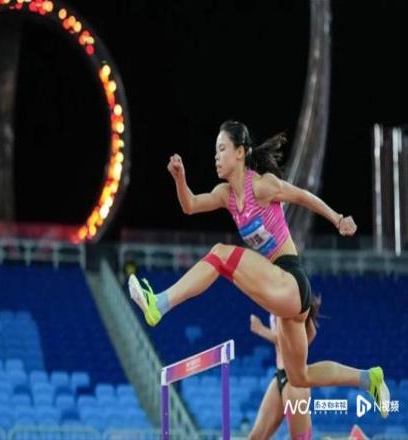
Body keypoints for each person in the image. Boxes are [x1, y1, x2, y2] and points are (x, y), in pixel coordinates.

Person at [128, 120, 390, 417]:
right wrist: (180, 178)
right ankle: (368, 378)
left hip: (290, 279)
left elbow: (302, 196)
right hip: (284, 300)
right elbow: (190, 205)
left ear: (240, 152)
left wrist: (338, 219)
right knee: (299, 376)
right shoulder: (226, 195)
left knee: (220, 254)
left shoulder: (263, 186)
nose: (216, 157)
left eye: (222, 149)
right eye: (215, 151)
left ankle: (159, 303)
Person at [249, 295, 320, 440]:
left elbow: (289, 340)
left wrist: (260, 329)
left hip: (295, 380)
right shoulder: (276, 298)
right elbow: (310, 332)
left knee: (300, 439)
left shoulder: (289, 301)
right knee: (256, 437)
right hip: (280, 375)